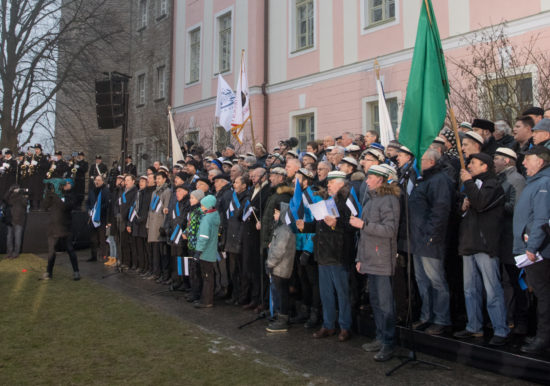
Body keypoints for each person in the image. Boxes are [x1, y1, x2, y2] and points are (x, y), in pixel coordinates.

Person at [454, 153, 509, 346]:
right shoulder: (471, 185)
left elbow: (481, 203)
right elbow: (465, 208)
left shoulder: (492, 185)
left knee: (492, 289)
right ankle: (473, 326)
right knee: (470, 289)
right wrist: (462, 205)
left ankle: (500, 329)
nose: (469, 166)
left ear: (485, 166)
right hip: (469, 242)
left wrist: (468, 184)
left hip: (485, 245)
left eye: (473, 163)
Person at [296, 171, 355, 343]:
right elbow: (319, 224)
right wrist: (305, 226)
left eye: (331, 182)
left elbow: (354, 227)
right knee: (326, 292)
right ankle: (328, 324)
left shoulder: (346, 203)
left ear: (341, 184)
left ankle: (345, 326)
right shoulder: (328, 202)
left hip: (338, 254)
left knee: (342, 293)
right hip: (324, 254)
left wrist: (337, 224)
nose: (327, 185)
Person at [351, 164, 400, 361]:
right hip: (370, 258)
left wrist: (364, 224)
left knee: (385, 304)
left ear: (379, 179)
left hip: (382, 259)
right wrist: (359, 258)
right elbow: (363, 236)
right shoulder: (371, 199)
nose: (366, 180)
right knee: (376, 302)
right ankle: (380, 337)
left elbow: (390, 230)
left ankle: (389, 342)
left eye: (370, 177)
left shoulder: (389, 200)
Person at [408, 149, 454, 335]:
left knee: (436, 280)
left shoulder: (439, 180)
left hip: (430, 239)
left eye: (423, 160)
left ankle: (442, 319)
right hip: (418, 238)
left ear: (432, 162)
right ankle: (426, 316)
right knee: (422, 280)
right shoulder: (425, 179)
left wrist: (432, 235)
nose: (420, 163)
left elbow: (440, 210)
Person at [513, 146, 550, 354]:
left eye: (528, 159)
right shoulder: (536, 182)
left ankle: (543, 339)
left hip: (538, 251)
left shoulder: (544, 183)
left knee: (544, 296)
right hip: (533, 249)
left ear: (541, 161)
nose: (524, 163)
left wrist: (532, 247)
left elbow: (541, 219)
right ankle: (542, 337)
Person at [494, 147, 528, 334]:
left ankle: (518, 320)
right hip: (502, 237)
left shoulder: (516, 180)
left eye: (497, 158)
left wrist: (494, 203)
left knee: (514, 281)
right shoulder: (501, 179)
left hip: (511, 239)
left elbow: (517, 208)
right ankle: (508, 317)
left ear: (507, 161)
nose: (494, 161)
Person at [265, 202, 297, 333]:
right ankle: (279, 315)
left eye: (276, 212)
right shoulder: (280, 228)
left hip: (281, 267)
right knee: (278, 292)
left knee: (282, 293)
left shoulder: (285, 230)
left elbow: (279, 250)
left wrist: (270, 263)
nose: (274, 215)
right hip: (278, 266)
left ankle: (283, 318)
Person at [41, 178, 81, 281]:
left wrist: (56, 196)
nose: (65, 185)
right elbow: (44, 206)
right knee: (51, 251)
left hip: (65, 227)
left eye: (67, 184)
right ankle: (49, 272)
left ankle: (76, 272)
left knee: (70, 249)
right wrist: (48, 194)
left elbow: (66, 207)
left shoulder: (70, 196)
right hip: (53, 227)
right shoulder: (53, 196)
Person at [193, 195, 221, 308]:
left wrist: (198, 251)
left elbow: (203, 237)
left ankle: (206, 301)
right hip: (211, 251)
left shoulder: (207, 219)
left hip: (205, 252)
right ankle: (207, 299)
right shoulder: (214, 216)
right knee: (209, 276)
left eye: (202, 205)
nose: (201, 207)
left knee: (206, 276)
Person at [146, 171, 172, 282]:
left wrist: (164, 227)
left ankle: (159, 273)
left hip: (160, 224)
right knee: (153, 250)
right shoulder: (154, 192)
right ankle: (154, 270)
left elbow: (166, 209)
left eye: (159, 178)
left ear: (165, 179)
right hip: (152, 223)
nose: (157, 180)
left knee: (159, 251)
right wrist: (148, 223)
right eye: (156, 178)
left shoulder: (167, 191)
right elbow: (151, 209)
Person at [87, 175, 111, 263]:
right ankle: (93, 256)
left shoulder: (105, 191)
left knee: (102, 238)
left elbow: (107, 204)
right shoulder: (92, 191)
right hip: (93, 218)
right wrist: (89, 210)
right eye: (95, 180)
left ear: (102, 181)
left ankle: (103, 255)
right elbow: (88, 202)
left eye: (98, 180)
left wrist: (98, 209)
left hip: (102, 218)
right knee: (93, 238)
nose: (96, 182)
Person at [2, 185, 27, 259]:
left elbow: (25, 203)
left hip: (19, 220)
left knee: (17, 238)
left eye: (17, 188)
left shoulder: (21, 197)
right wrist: (9, 191)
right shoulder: (10, 196)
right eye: (15, 188)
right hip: (10, 220)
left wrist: (21, 193)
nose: (16, 190)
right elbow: (4, 199)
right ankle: (9, 253)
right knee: (9, 238)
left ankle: (16, 253)